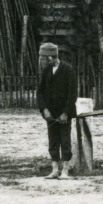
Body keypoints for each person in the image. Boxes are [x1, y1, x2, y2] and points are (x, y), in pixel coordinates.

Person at [37, 42, 77, 179]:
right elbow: (40, 92)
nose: (41, 60)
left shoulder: (68, 70)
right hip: (50, 114)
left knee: (65, 141)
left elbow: (72, 94)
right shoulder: (46, 71)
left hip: (64, 113)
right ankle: (54, 170)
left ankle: (65, 171)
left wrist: (66, 112)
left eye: (43, 58)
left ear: (51, 57)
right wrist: (44, 109)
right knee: (53, 141)